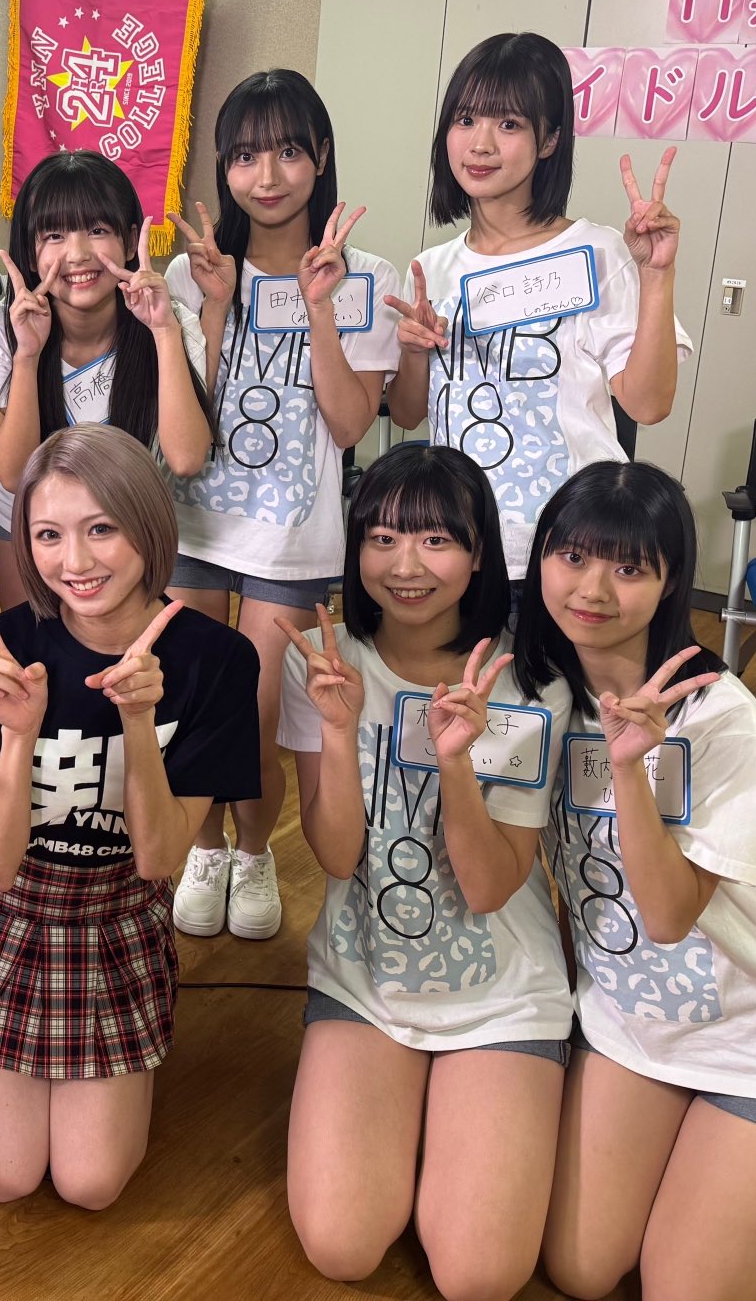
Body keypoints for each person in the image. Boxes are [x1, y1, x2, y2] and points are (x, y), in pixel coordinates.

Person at [512, 461, 756, 1301]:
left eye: (629, 567)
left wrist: (631, 769)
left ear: (670, 583)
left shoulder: (722, 718)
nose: (593, 589)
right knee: (579, 1270)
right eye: (572, 556)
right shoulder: (543, 696)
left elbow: (666, 915)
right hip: (633, 1028)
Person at [0, 425, 261, 1209]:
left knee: (91, 1182)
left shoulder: (216, 661)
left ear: (148, 525)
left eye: (102, 528)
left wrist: (139, 720)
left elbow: (159, 861)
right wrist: (18, 736)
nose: (75, 562)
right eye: (48, 535)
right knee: (6, 1177)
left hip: (116, 918)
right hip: (2, 913)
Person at [279, 445, 573, 1295]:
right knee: (340, 1246)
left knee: (479, 1276)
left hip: (502, 990)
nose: (405, 566)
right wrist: (339, 729)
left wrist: (456, 762)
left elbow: (488, 888)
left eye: (437, 540)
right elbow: (337, 856)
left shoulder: (527, 683)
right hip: (365, 979)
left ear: (480, 555)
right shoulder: (324, 659)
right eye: (382, 538)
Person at [164, 68, 407, 943]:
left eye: (288, 152)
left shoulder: (364, 276)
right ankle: (203, 849)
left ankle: (256, 850)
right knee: (191, 698)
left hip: (294, 538)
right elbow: (187, 412)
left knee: (260, 707)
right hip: (193, 521)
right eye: (245, 156)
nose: (266, 176)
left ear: (322, 157)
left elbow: (349, 424)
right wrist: (213, 307)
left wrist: (320, 309)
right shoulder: (192, 271)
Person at [385, 31, 691, 579]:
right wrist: (413, 352)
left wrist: (656, 275)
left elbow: (648, 405)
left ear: (549, 140)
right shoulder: (432, 268)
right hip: (461, 544)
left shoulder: (595, 252)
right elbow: (409, 415)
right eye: (465, 120)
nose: (480, 145)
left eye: (509, 124)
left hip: (571, 549)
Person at [0, 149, 213, 607]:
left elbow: (186, 459)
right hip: (25, 519)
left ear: (130, 240)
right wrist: (27, 355)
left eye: (98, 230)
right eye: (54, 235)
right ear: (30, 252)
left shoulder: (172, 321)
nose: (78, 254)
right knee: (35, 640)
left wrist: (163, 331)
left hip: (125, 519)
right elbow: (12, 473)